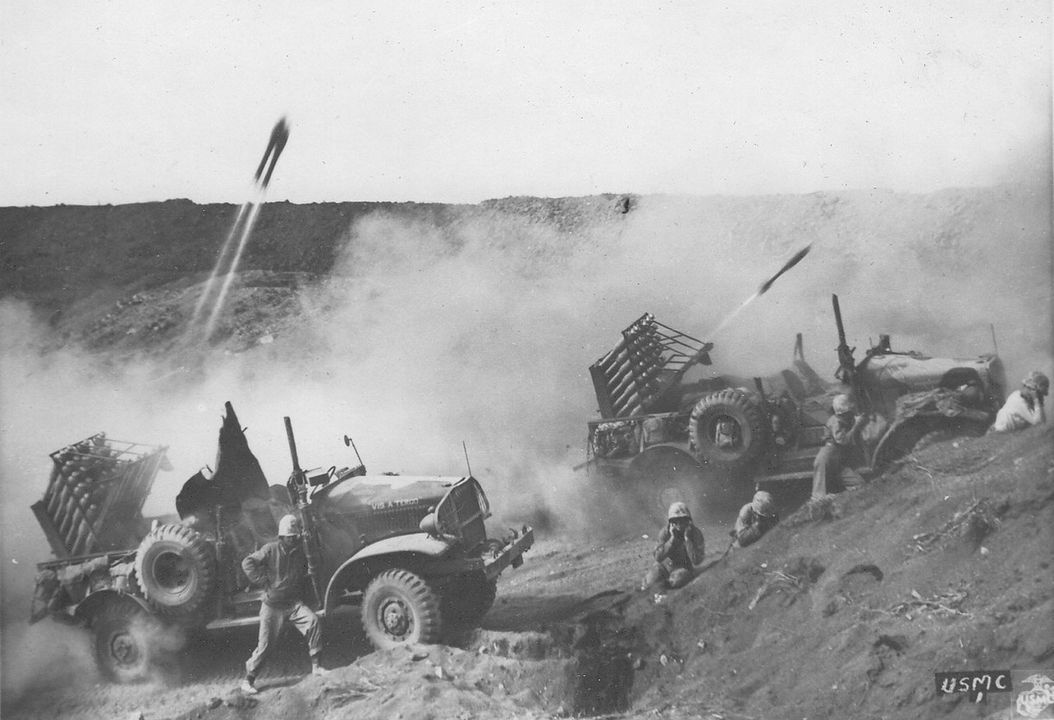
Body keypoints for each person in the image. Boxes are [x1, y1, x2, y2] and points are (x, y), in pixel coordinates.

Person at [241, 514, 325, 694]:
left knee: (313, 622)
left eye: (294, 537)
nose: (292, 540)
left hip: (293, 604)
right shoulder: (270, 549)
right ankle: (248, 680)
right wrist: (261, 580)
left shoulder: (300, 552)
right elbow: (247, 562)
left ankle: (316, 667)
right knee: (265, 646)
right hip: (272, 606)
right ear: (282, 536)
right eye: (289, 537)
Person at [812, 393, 867, 498]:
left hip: (837, 459)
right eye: (849, 410)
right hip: (827, 458)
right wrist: (856, 425)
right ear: (844, 412)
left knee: (859, 483)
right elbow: (843, 440)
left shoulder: (842, 419)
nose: (851, 412)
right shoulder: (835, 422)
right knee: (819, 496)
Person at [642, 502, 706, 591]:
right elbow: (658, 557)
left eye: (683, 520)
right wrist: (672, 539)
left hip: (683, 567)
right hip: (664, 566)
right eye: (675, 521)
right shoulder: (665, 532)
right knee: (650, 581)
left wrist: (687, 539)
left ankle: (666, 586)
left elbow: (697, 561)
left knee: (678, 580)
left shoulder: (695, 533)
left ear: (688, 521)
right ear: (671, 522)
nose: (679, 524)